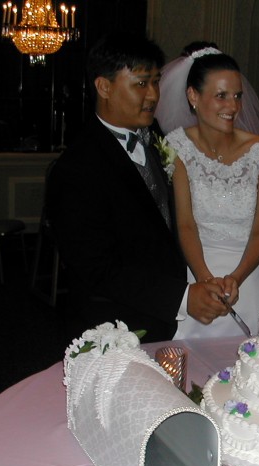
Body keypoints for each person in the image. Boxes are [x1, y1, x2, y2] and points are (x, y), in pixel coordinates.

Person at [46, 32, 228, 343]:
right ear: (104, 87)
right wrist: (181, 297)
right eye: (141, 84)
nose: (154, 95)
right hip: (117, 328)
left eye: (156, 81)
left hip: (167, 318)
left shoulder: (156, 137)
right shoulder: (76, 168)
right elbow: (96, 269)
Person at [157, 45, 259, 338]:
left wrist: (236, 278)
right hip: (196, 269)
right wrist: (204, 281)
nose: (233, 106)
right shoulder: (177, 147)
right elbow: (185, 224)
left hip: (249, 274)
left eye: (237, 96)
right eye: (221, 96)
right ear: (193, 96)